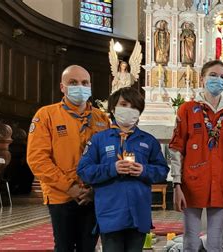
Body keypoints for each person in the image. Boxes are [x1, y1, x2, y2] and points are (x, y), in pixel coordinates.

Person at [27, 65, 110, 251]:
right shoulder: (46, 115)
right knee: (63, 247)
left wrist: (94, 190)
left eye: (84, 82)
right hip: (61, 195)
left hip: (92, 195)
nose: (79, 86)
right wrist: (70, 187)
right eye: (73, 83)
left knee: (88, 247)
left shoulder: (102, 118)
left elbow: (109, 159)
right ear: (62, 87)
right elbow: (37, 159)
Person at [77, 87, 169, 251]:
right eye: (124, 104)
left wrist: (143, 171)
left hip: (138, 214)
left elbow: (162, 170)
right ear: (113, 108)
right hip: (110, 213)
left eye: (134, 107)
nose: (129, 110)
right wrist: (112, 168)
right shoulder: (99, 140)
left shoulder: (148, 141)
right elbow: (84, 170)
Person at [169, 60, 223, 251]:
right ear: (202, 79)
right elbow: (176, 148)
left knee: (215, 242)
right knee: (191, 241)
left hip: (222, 183)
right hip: (192, 183)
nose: (218, 80)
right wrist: (176, 184)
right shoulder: (187, 109)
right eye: (213, 75)